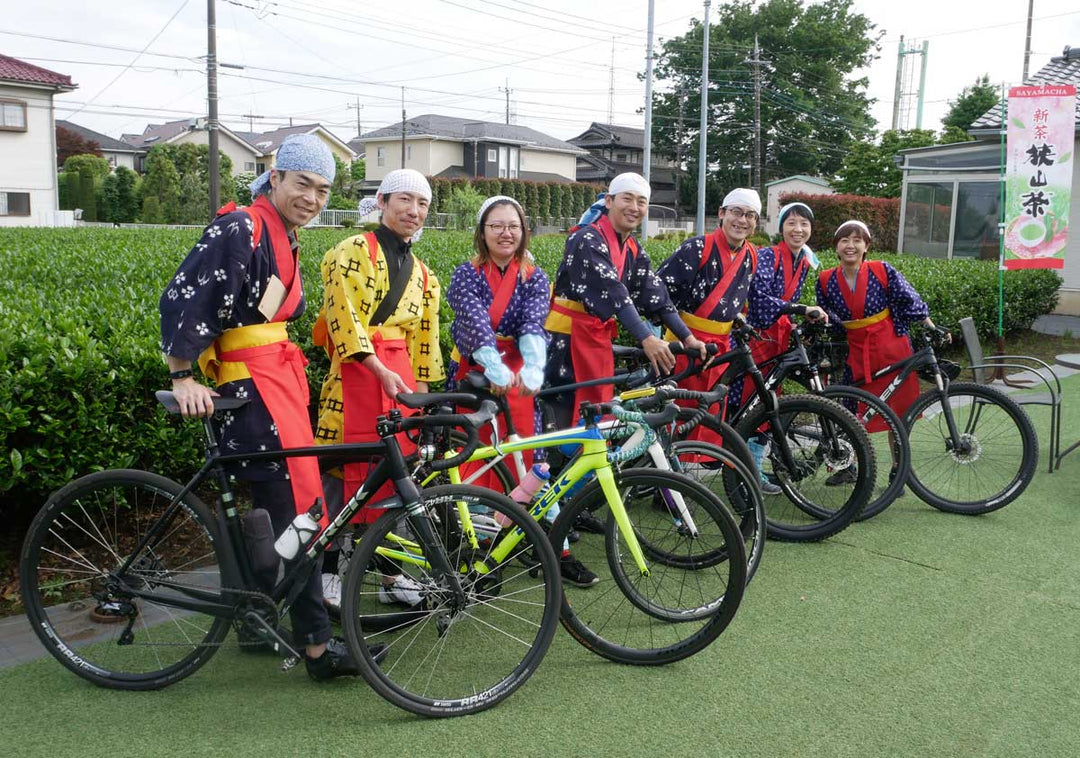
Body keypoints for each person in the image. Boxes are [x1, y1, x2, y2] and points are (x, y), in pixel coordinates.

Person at [159, 134, 366, 680]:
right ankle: (316, 649)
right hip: (252, 391)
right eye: (303, 184)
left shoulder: (285, 236)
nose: (313, 197)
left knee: (295, 508)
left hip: (274, 383)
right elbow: (187, 293)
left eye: (323, 189)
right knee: (294, 511)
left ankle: (270, 616)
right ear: (274, 177)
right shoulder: (242, 226)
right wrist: (181, 374)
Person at [446, 195, 597, 587]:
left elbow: (534, 322)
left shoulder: (535, 275)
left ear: (523, 230)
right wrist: (493, 366)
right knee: (475, 458)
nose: (505, 233)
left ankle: (552, 545)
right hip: (475, 374)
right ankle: (478, 544)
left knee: (530, 456)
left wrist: (532, 368)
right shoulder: (466, 274)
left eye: (512, 225)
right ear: (482, 232)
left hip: (519, 378)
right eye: (496, 225)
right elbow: (476, 322)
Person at [312, 168, 444, 607]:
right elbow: (343, 318)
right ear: (382, 202)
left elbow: (425, 341)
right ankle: (328, 569)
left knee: (398, 478)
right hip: (355, 375)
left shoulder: (425, 275)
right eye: (405, 200)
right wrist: (375, 367)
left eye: (423, 203)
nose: (414, 211)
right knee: (337, 474)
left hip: (400, 379)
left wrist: (420, 399)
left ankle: (392, 578)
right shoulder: (350, 251)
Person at [544, 172, 706, 428]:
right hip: (565, 343)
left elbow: (656, 295)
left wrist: (687, 338)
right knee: (564, 419)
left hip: (594, 340)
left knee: (595, 417)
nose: (634, 207)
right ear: (609, 201)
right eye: (627, 199)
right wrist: (647, 337)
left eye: (641, 202)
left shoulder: (631, 248)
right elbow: (615, 292)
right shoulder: (586, 238)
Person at [814, 220, 945, 482]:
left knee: (898, 412)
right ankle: (847, 467)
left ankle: (900, 468)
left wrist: (930, 326)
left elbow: (910, 299)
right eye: (844, 240)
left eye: (857, 240)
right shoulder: (825, 279)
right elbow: (826, 315)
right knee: (849, 411)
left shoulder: (882, 270)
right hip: (854, 351)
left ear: (866, 246)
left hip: (891, 348)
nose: (850, 246)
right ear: (836, 247)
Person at [655, 188, 763, 438]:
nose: (742, 220)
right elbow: (659, 293)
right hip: (686, 342)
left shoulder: (752, 255)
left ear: (755, 223)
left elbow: (737, 298)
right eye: (736, 212)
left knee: (709, 412)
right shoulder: (696, 247)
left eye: (750, 215)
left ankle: (698, 465)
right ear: (721, 214)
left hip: (720, 346)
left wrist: (737, 318)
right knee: (679, 409)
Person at [742, 201, 829, 493]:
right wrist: (801, 308)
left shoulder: (804, 261)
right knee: (752, 403)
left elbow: (786, 305)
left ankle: (751, 468)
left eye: (804, 224)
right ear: (780, 228)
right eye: (791, 223)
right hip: (758, 339)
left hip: (777, 338)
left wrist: (795, 322)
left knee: (769, 403)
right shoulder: (769, 256)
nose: (798, 229)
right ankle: (745, 470)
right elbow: (760, 299)